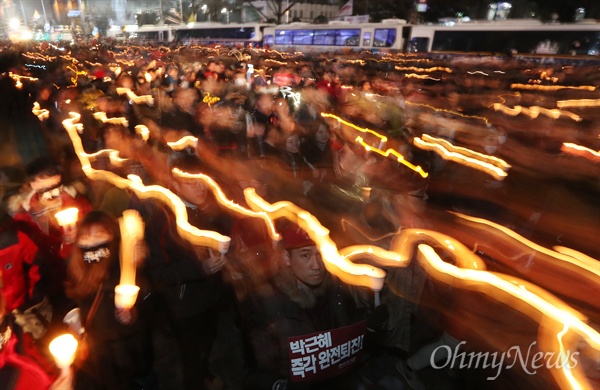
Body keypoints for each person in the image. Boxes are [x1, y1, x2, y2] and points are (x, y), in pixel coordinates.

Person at [242, 223, 368, 390]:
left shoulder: (336, 289)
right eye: (305, 255)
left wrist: (370, 330)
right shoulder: (266, 301)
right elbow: (251, 371)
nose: (316, 265)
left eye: (320, 254)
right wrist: (282, 386)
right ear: (287, 258)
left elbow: (349, 346)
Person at [65, 211, 154, 390]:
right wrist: (74, 317)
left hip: (128, 353)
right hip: (98, 354)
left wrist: (133, 314)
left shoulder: (124, 266)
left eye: (99, 236)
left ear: (112, 236)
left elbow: (150, 300)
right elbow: (72, 298)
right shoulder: (76, 267)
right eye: (85, 238)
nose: (91, 243)